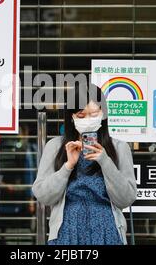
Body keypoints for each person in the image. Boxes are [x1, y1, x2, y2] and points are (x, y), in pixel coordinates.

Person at [32, 83, 137, 245]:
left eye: (94, 114)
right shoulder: (55, 147)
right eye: (81, 116)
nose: (88, 120)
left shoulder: (119, 148)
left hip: (107, 230)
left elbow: (126, 198)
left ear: (103, 114)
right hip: (66, 230)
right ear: (72, 117)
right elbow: (43, 195)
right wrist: (68, 166)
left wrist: (105, 161)